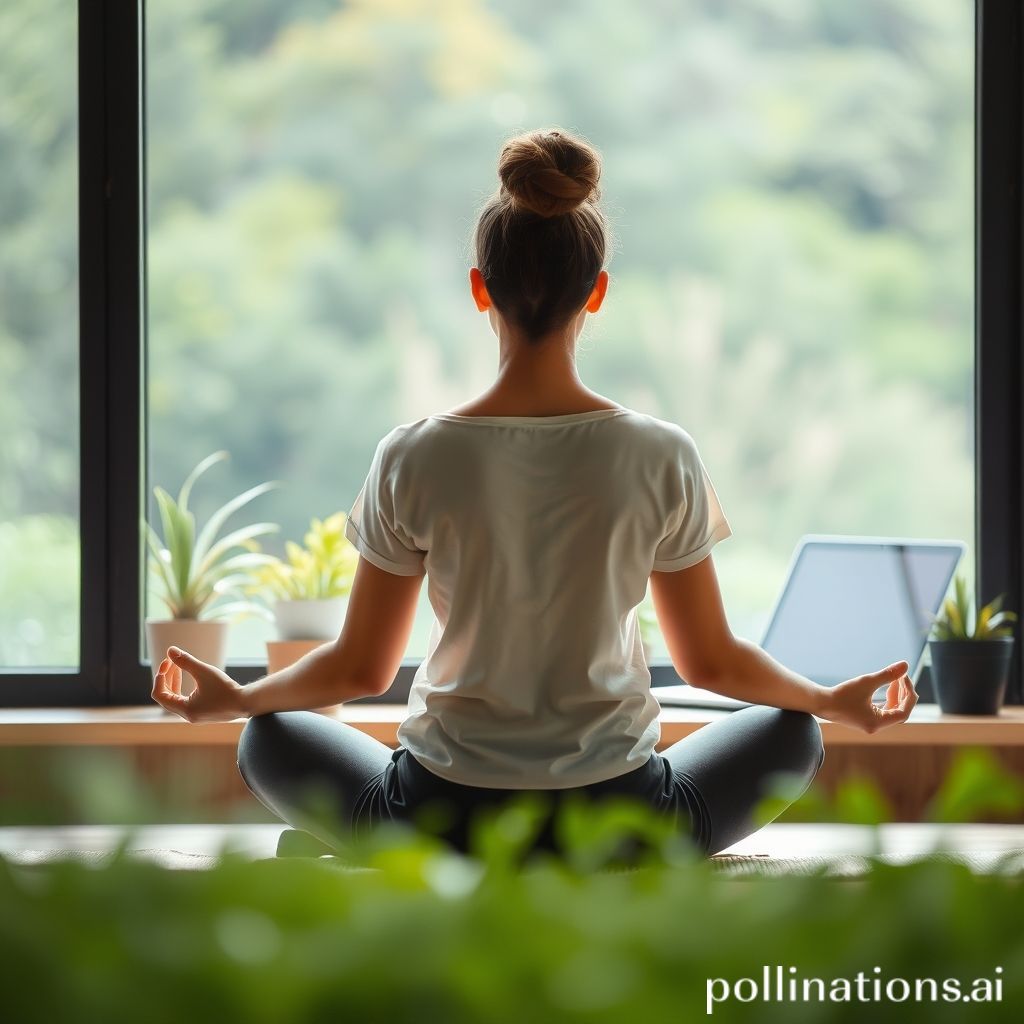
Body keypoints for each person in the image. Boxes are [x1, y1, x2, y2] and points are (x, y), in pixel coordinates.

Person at [151, 127, 918, 862]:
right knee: (795, 734)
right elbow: (710, 660)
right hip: (622, 817)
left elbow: (361, 670)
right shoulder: (661, 452)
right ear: (599, 293)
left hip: (438, 816)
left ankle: (380, 851)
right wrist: (827, 699)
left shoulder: (411, 454)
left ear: (481, 290)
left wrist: (239, 700)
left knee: (268, 737)